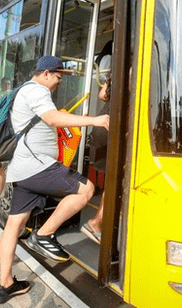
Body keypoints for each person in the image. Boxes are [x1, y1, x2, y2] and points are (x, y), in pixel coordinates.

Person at [0, 56, 109, 304]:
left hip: (22, 168)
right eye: (58, 76)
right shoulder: (37, 91)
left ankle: (5, 285)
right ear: (46, 73)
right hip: (37, 166)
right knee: (86, 190)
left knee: (14, 224)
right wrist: (95, 120)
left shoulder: (22, 91)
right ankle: (44, 235)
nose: (58, 82)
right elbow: (53, 119)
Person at [80, 75, 112, 244]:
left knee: (113, 181)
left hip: (102, 124)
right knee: (116, 182)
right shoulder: (136, 66)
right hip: (111, 127)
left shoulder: (118, 70)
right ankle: (96, 222)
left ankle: (99, 222)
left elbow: (101, 95)